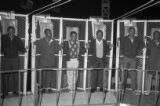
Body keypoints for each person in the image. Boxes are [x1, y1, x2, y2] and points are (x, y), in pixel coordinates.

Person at [1, 26, 26, 97]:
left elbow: (23, 49)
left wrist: (21, 51)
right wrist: (3, 51)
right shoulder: (3, 38)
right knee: (6, 76)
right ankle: (4, 93)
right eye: (10, 31)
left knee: (16, 76)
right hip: (6, 59)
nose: (11, 32)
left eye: (12, 31)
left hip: (15, 59)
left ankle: (16, 91)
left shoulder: (17, 38)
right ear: (7, 31)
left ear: (14, 31)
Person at [120, 26, 145, 94]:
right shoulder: (124, 38)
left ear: (134, 32)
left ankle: (133, 90)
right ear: (129, 32)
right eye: (131, 31)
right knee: (124, 74)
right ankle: (123, 89)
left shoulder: (137, 39)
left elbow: (142, 46)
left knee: (133, 74)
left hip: (133, 58)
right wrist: (122, 56)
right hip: (125, 58)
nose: (132, 32)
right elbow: (121, 47)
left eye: (133, 31)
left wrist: (144, 40)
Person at [35, 28, 59, 93]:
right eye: (48, 33)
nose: (50, 34)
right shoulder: (41, 41)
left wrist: (60, 47)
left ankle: (48, 88)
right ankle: (42, 88)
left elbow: (57, 50)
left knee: (49, 75)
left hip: (51, 61)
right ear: (45, 33)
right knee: (42, 75)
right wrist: (35, 45)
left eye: (50, 33)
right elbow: (38, 50)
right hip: (43, 61)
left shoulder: (53, 41)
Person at [145, 30, 160, 95]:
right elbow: (147, 52)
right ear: (153, 36)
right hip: (151, 62)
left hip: (159, 63)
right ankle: (148, 91)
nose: (156, 36)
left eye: (158, 34)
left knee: (158, 77)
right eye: (155, 34)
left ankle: (157, 91)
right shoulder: (150, 43)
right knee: (149, 77)